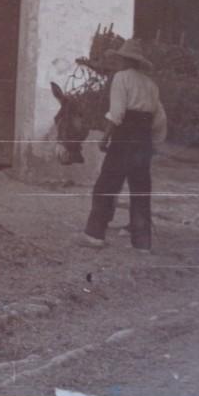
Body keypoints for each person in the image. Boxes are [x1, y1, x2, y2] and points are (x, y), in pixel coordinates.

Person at [77, 38, 167, 252]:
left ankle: (95, 235)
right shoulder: (151, 85)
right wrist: (153, 143)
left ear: (125, 60)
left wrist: (105, 137)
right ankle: (142, 243)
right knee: (141, 190)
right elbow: (160, 119)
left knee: (106, 185)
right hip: (143, 139)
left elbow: (117, 113)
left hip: (124, 136)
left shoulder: (121, 78)